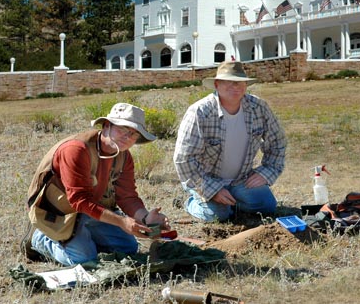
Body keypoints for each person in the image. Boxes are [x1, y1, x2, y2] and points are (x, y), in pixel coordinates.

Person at [25, 103, 170, 266]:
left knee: (127, 248)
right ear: (107, 126)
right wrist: (121, 222)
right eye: (122, 130)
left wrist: (145, 217)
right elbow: (79, 200)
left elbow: (127, 196)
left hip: (88, 211)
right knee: (82, 259)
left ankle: (81, 237)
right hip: (58, 213)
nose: (127, 137)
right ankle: (39, 239)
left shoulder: (124, 157)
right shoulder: (76, 149)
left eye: (134, 135)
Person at [174, 61, 286, 222]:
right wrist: (212, 190)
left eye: (240, 82)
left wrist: (267, 172)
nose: (235, 86)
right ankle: (191, 201)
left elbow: (278, 142)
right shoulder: (199, 112)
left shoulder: (259, 107)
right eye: (228, 81)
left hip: (241, 178)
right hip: (207, 179)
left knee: (267, 206)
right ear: (216, 84)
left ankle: (229, 203)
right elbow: (183, 159)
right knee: (217, 216)